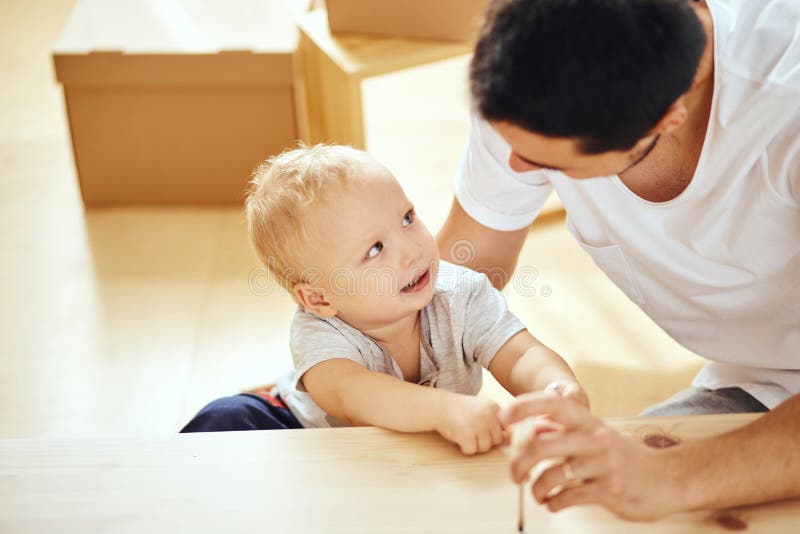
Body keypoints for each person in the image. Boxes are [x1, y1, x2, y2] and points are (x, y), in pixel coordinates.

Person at [436, 0, 800, 520]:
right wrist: (356, 358)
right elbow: (465, 270)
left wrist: (673, 478)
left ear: (666, 119)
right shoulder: (533, 70)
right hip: (756, 389)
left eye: (544, 160)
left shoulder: (786, 105)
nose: (515, 164)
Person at [181, 144, 589, 455]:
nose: (412, 251)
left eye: (407, 219)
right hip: (303, 437)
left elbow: (519, 355)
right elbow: (356, 397)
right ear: (320, 297)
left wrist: (556, 387)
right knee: (223, 419)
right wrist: (446, 411)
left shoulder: (460, 294)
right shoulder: (318, 330)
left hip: (409, 455)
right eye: (375, 249)